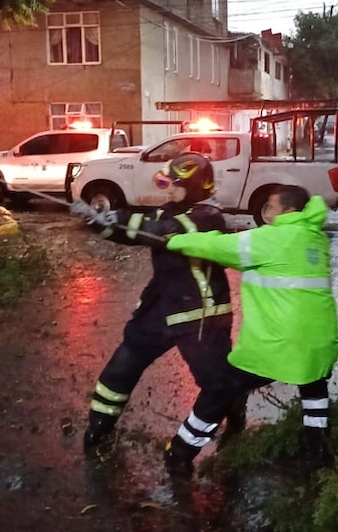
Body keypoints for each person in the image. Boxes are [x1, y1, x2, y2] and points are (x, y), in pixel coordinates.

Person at [158, 185, 338, 475]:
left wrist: (173, 240)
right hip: (320, 342)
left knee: (219, 388)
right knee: (314, 389)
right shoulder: (315, 238)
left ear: (289, 211)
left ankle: (180, 452)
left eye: (272, 204)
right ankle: (318, 454)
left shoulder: (273, 239)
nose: (267, 210)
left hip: (278, 344)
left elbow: (215, 247)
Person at [69, 153, 240, 452]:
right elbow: (140, 227)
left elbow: (163, 232)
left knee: (217, 382)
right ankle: (99, 427)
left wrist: (121, 221)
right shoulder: (169, 211)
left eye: (175, 184)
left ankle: (231, 424)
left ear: (196, 186)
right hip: (161, 305)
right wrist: (96, 220)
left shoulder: (208, 217)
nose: (168, 190)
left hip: (199, 314)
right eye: (166, 183)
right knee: (124, 363)